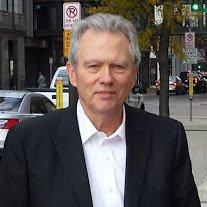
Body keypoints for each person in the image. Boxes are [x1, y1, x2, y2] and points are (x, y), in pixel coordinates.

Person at [0, 13, 200, 207]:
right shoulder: (28, 142)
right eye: (94, 66)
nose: (106, 78)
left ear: (134, 74)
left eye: (118, 66)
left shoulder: (167, 138)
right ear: (73, 73)